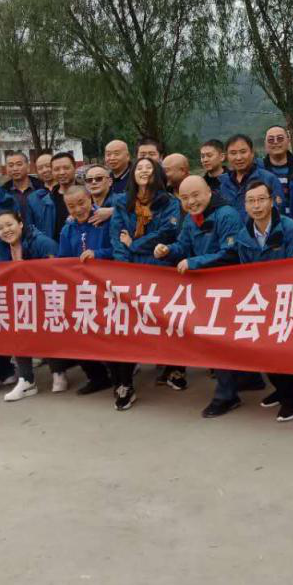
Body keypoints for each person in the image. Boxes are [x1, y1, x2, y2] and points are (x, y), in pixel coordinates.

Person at [154, 176, 244, 401]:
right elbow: (183, 245)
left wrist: (193, 262)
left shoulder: (226, 215)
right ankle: (248, 380)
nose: (191, 202)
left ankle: (226, 397)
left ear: (209, 193)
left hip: (228, 287)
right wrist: (168, 250)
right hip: (206, 287)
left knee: (220, 340)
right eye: (185, 198)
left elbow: (231, 253)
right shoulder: (191, 218)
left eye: (196, 195)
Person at [225, 181, 293, 421]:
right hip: (260, 299)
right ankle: (280, 389)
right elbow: (244, 270)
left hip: (286, 298)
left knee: (283, 351)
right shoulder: (243, 235)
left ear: (272, 201)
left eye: (261, 199)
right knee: (263, 351)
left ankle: (292, 396)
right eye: (251, 201)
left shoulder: (290, 229)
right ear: (245, 205)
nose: (256, 205)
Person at [108, 159, 183, 409]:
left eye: (148, 168)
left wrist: (135, 244)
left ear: (157, 174)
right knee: (127, 329)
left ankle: (173, 369)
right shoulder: (122, 202)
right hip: (130, 272)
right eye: (139, 168)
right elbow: (117, 237)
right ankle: (125, 384)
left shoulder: (170, 203)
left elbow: (165, 234)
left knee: (165, 323)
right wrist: (125, 266)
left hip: (160, 269)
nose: (143, 171)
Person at [0, 208, 58, 402]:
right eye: (1, 228)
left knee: (50, 332)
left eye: (9, 224)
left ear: (21, 223)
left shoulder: (41, 242)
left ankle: (58, 371)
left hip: (48, 297)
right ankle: (26, 380)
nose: (6, 230)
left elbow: (58, 271)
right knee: (17, 330)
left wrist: (28, 270)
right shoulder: (0, 247)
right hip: (20, 299)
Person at [50, 184, 115, 395]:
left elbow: (119, 250)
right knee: (77, 333)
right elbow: (63, 260)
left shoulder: (105, 221)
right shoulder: (67, 229)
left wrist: (98, 254)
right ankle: (97, 377)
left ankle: (120, 378)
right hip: (81, 290)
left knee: (110, 334)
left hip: (107, 287)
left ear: (90, 200)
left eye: (81, 203)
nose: (78, 209)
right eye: (71, 206)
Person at [218, 134, 285, 222]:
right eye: (233, 153)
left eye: (243, 152)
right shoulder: (224, 184)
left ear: (252, 153)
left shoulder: (268, 179)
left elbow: (278, 214)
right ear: (227, 156)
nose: (238, 157)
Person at [2, 151, 42, 219]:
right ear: (6, 169)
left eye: (19, 164)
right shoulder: (2, 192)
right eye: (11, 165)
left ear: (28, 167)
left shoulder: (41, 187)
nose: (15, 169)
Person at [263, 125, 293, 192]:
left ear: (288, 141)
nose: (275, 142)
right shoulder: (258, 169)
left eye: (280, 138)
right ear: (265, 143)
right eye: (271, 140)